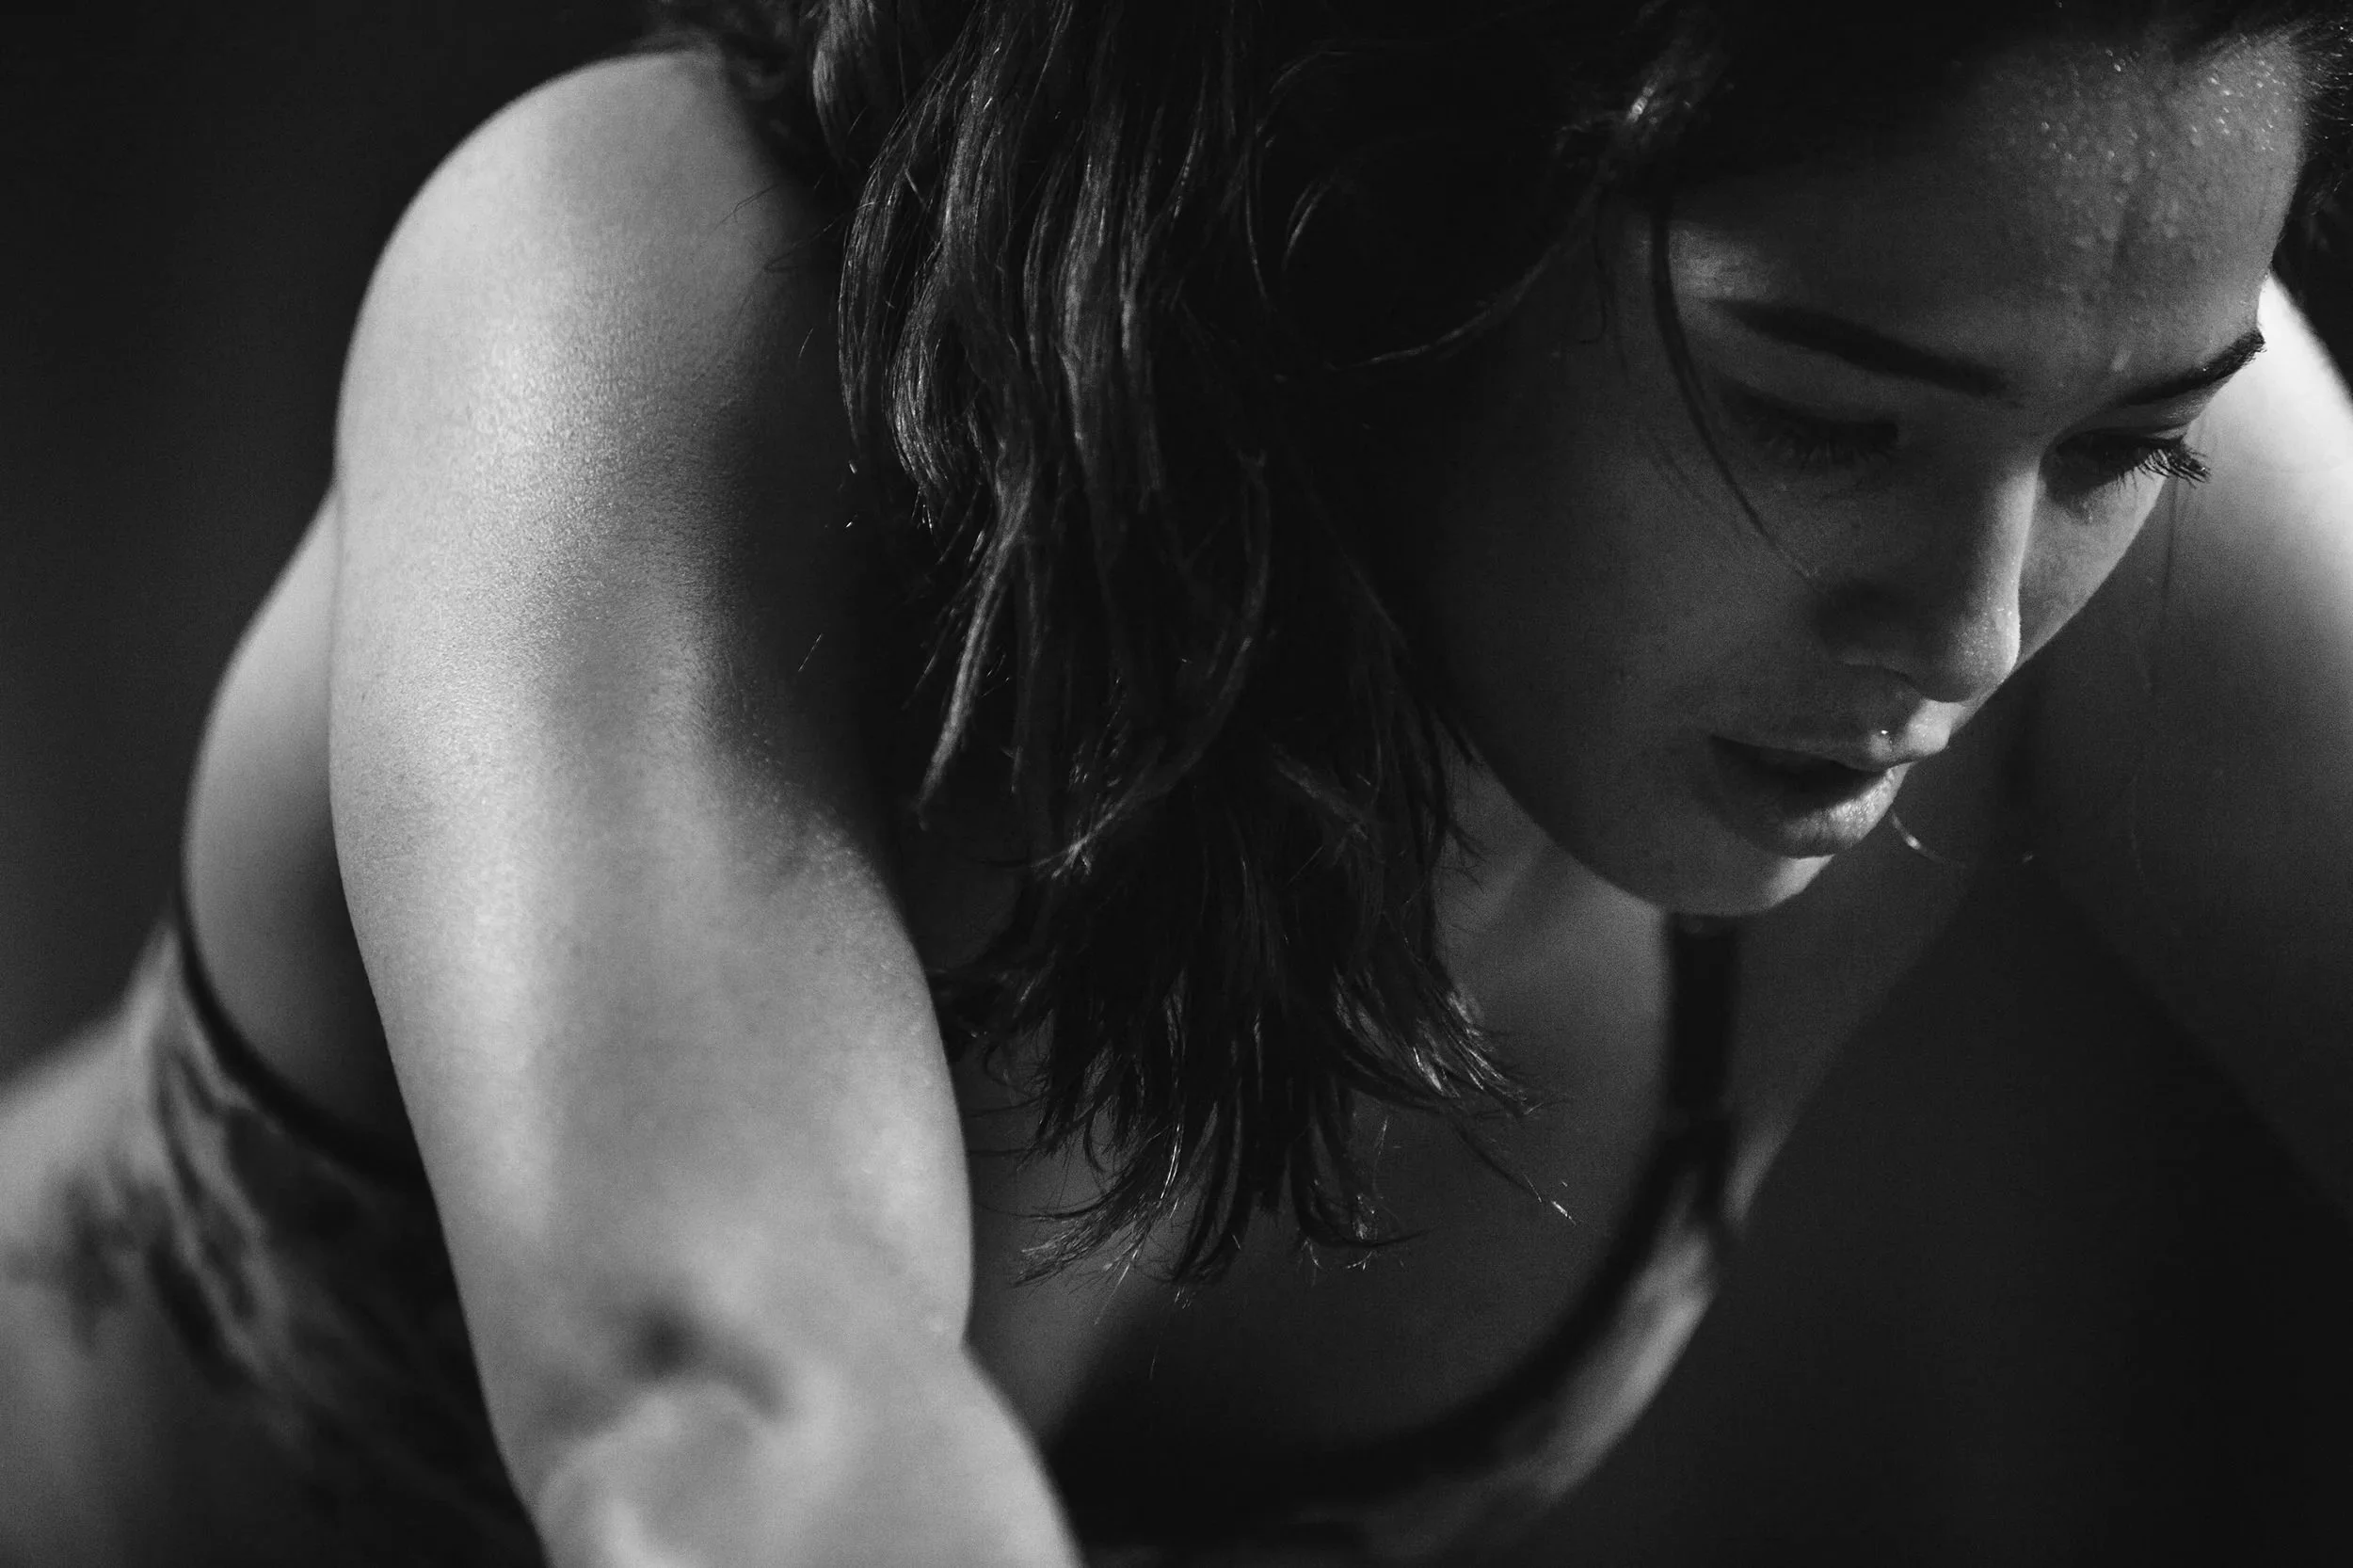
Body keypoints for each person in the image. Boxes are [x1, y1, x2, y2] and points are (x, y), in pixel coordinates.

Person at [2, 0, 2349, 1562]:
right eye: (1812, 419)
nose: (1967, 629)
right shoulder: (662, 297)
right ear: (1389, 204)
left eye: (2129, 445)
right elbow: (733, 1414)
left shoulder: (2050, 354)